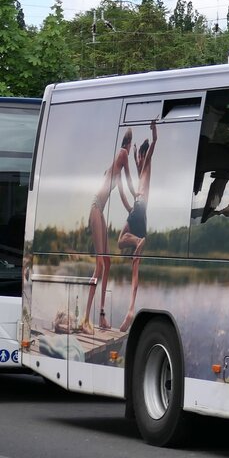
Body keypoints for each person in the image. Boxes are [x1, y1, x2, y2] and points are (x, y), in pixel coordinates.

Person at [83, 128, 134, 332]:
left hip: (100, 211)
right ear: (128, 144)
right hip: (96, 208)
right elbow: (130, 180)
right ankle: (86, 318)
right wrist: (138, 193)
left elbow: (122, 193)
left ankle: (102, 316)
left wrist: (132, 208)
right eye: (131, 146)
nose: (130, 152)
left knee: (108, 263)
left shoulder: (116, 169)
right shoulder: (122, 154)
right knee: (99, 266)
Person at [117, 120, 157, 332]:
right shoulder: (141, 169)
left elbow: (154, 144)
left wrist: (153, 130)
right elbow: (136, 164)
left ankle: (138, 241)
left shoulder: (146, 165)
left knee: (121, 240)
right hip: (142, 212)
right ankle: (131, 310)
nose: (139, 160)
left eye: (141, 157)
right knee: (135, 266)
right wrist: (134, 155)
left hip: (139, 208)